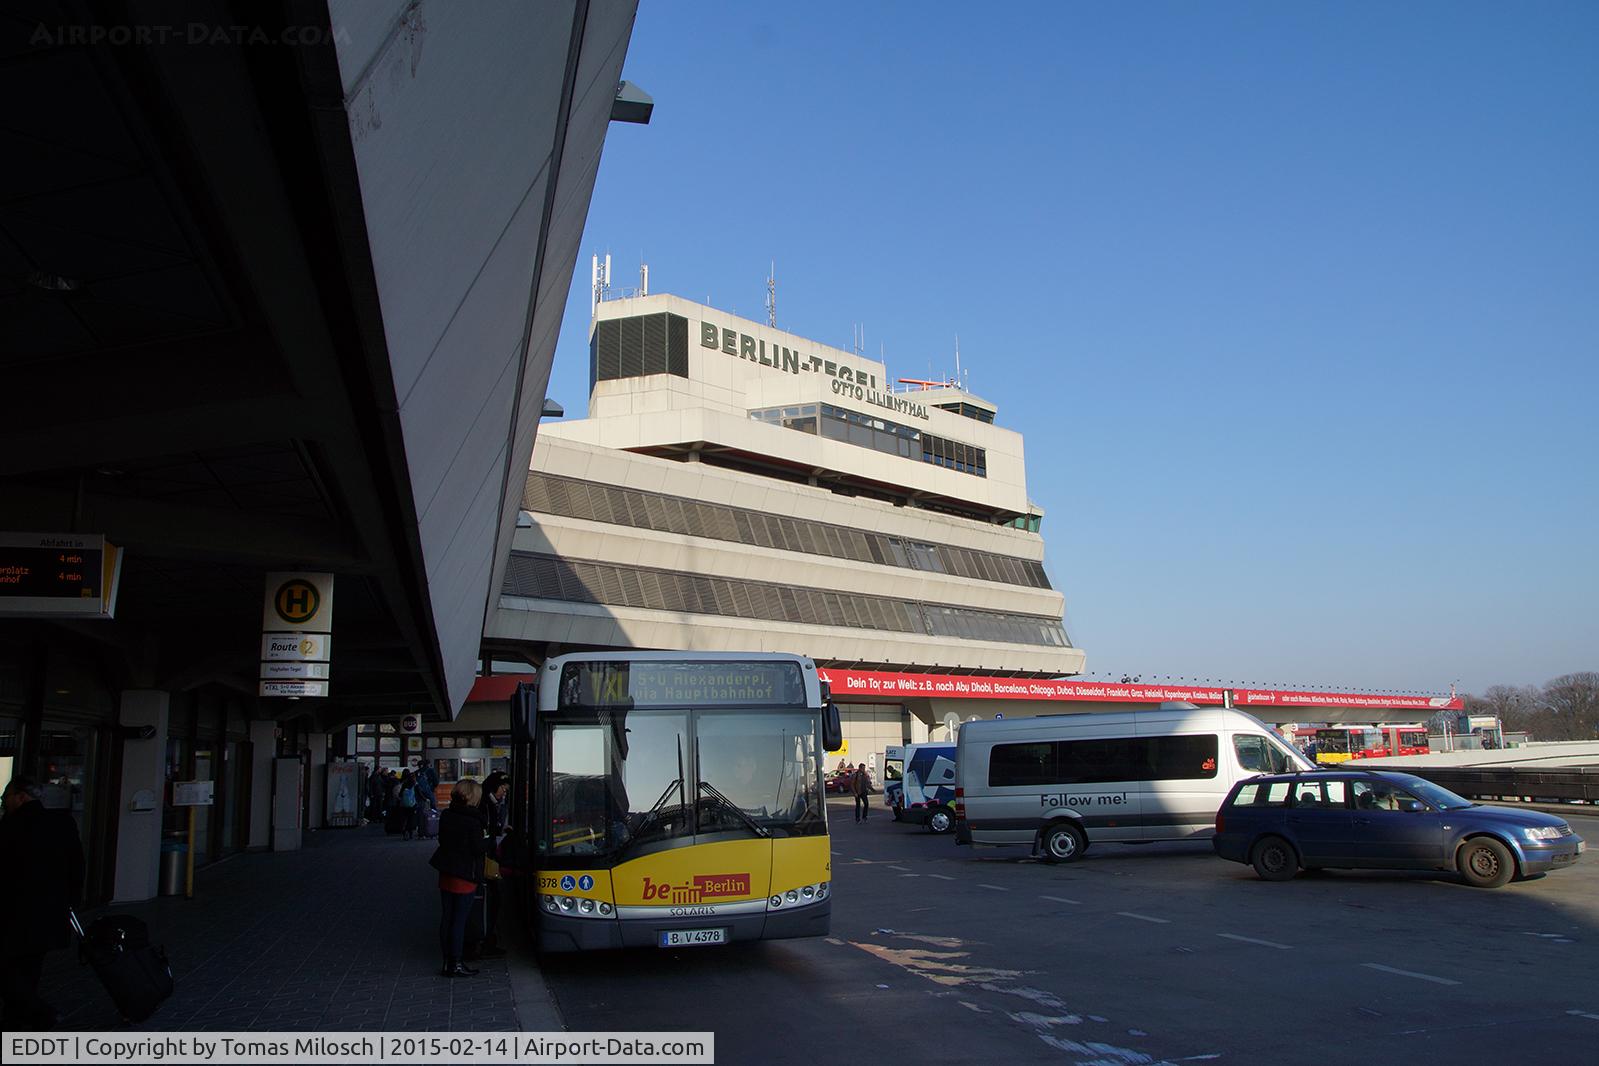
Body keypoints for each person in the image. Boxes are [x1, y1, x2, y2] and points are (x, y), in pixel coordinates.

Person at [0, 776, 86, 1030]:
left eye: (7, 796)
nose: (5, 801)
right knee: (30, 965)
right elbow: (77, 865)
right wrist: (71, 900)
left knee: (9, 966)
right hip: (50, 910)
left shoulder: (8, 827)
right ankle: (17, 1017)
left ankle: (38, 1011)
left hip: (11, 911)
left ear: (21, 796)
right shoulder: (62, 823)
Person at [429, 778, 487, 978]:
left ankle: (447, 961)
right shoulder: (473, 820)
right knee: (459, 920)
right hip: (465, 874)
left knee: (447, 917)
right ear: (472, 796)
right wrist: (490, 842)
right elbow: (477, 848)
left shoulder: (447, 814)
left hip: (446, 871)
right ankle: (456, 962)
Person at [471, 772, 511, 960]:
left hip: (486, 858)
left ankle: (486, 939)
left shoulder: (491, 804)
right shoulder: (486, 806)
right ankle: (484, 941)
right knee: (490, 899)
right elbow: (483, 834)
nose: (504, 793)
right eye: (503, 789)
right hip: (485, 861)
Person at [398, 770, 421, 840]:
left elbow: (400, 794)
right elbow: (420, 793)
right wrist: (426, 799)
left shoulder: (404, 784)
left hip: (404, 805)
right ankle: (410, 833)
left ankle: (404, 832)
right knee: (411, 819)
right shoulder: (415, 784)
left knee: (405, 818)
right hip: (412, 805)